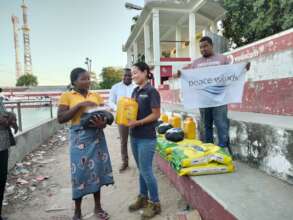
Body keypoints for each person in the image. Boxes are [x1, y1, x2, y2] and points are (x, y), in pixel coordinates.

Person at [174, 36, 250, 152]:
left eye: (205, 46)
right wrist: (180, 74)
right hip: (203, 101)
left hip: (220, 99)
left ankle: (223, 150)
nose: (203, 49)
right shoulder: (196, 63)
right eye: (201, 47)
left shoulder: (222, 59)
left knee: (221, 124)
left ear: (211, 46)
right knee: (205, 126)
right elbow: (188, 76)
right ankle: (208, 150)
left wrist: (243, 68)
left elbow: (231, 72)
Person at [57, 68, 114, 220]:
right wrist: (79, 106)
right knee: (79, 174)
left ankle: (98, 207)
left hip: (97, 137)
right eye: (83, 79)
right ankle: (77, 211)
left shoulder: (95, 95)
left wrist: (103, 123)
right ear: (74, 81)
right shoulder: (66, 96)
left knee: (97, 172)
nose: (87, 81)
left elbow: (106, 113)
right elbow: (61, 118)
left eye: (88, 79)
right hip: (79, 139)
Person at [127, 62, 161, 219]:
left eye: (136, 73)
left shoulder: (151, 91)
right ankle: (143, 198)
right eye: (132, 73)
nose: (133, 76)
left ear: (145, 72)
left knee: (146, 170)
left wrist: (138, 122)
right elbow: (134, 111)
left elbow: (156, 115)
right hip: (134, 136)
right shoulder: (135, 91)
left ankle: (155, 204)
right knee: (140, 169)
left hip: (146, 137)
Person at [108, 69, 135, 172]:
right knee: (123, 141)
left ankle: (138, 160)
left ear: (132, 76)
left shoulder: (136, 87)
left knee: (135, 139)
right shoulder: (115, 87)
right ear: (122, 76)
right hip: (121, 117)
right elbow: (110, 101)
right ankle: (125, 162)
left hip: (134, 118)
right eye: (125, 76)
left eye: (129, 75)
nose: (127, 77)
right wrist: (118, 109)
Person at [0, 88, 18, 220]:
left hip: (3, 144)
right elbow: (3, 119)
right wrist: (8, 119)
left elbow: (6, 116)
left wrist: (11, 117)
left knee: (2, 178)